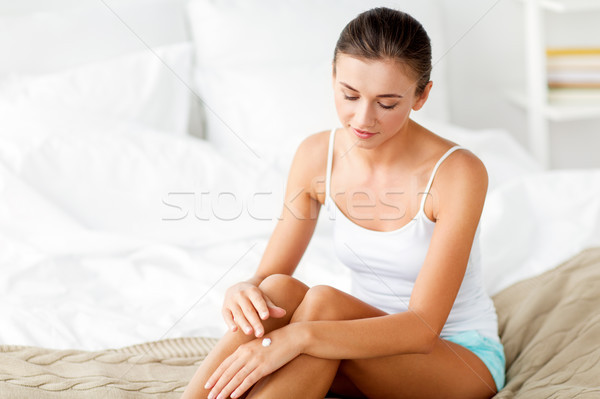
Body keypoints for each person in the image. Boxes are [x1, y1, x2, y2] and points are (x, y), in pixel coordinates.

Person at [181, 7, 505, 399]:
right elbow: (269, 277)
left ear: (421, 96)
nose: (363, 119)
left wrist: (301, 337)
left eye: (387, 103)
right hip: (356, 341)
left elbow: (422, 329)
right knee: (278, 292)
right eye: (349, 95)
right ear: (332, 78)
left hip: (455, 356)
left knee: (324, 304)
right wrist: (242, 289)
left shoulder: (459, 173)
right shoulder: (317, 155)